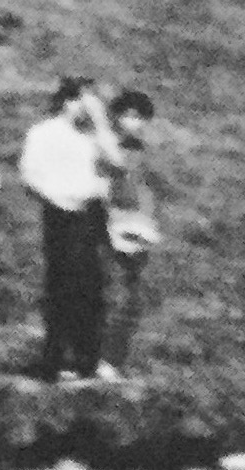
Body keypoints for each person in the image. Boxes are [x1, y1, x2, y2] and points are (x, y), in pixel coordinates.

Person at [19, 76, 109, 381]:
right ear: (68, 101)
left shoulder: (92, 135)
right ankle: (56, 360)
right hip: (60, 214)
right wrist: (57, 199)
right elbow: (30, 174)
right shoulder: (43, 133)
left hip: (90, 215)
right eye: (83, 100)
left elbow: (114, 164)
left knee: (91, 287)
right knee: (63, 285)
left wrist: (100, 123)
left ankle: (87, 359)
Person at [100, 88, 157, 375]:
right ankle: (98, 358)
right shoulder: (107, 149)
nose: (134, 123)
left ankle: (114, 359)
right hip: (109, 227)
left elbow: (146, 190)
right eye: (129, 116)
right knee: (111, 294)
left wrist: (147, 222)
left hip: (138, 229)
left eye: (140, 118)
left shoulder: (143, 153)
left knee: (134, 298)